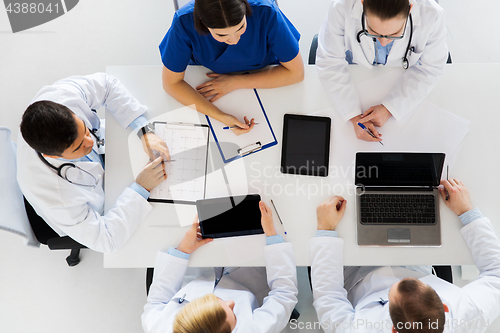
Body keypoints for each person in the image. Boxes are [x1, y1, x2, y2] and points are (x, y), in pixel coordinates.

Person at [310, 179, 500, 332]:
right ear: (444, 308)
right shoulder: (470, 315)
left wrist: (326, 230)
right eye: (417, 284)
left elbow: (328, 295)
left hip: (353, 272)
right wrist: (467, 212)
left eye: (395, 288)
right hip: (416, 263)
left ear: (393, 329)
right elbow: (496, 272)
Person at [17, 73, 170, 253]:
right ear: (55, 156)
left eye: (85, 130)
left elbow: (107, 85)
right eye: (78, 147)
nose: (90, 142)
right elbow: (107, 240)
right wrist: (141, 188)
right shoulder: (57, 197)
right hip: (79, 210)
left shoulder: (59, 97)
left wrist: (144, 130)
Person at [142, 201, 298, 333]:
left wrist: (183, 249)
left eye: (218, 300)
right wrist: (272, 236)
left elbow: (156, 301)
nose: (231, 302)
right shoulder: (254, 329)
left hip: (198, 266)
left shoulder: (158, 325)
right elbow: (284, 294)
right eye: (234, 316)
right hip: (247, 273)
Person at [160, 0, 304, 135]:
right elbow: (171, 83)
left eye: (240, 27)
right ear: (202, 23)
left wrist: (235, 82)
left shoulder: (266, 12)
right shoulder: (184, 22)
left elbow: (296, 73)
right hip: (205, 78)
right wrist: (222, 117)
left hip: (265, 77)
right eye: (221, 35)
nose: (234, 40)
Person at [316, 0, 448, 142]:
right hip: (356, 77)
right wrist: (354, 116)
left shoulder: (432, 14)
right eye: (373, 32)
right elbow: (329, 63)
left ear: (410, 8)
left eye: (395, 33)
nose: (383, 42)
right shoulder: (341, 7)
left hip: (400, 82)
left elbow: (430, 69)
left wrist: (390, 108)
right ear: (362, 3)